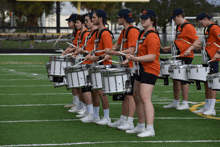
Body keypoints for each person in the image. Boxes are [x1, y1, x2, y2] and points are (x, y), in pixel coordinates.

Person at [124, 9, 160, 137]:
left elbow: (151, 56)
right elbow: (139, 52)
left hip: (150, 69)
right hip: (141, 68)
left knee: (145, 98)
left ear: (152, 20)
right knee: (136, 96)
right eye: (142, 18)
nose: (142, 20)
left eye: (146, 18)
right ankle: (140, 126)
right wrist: (130, 58)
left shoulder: (152, 35)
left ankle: (150, 129)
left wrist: (135, 59)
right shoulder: (142, 34)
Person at [104, 9, 139, 130]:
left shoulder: (133, 31)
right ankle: (123, 119)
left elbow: (131, 50)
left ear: (123, 19)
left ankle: (130, 121)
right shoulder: (124, 31)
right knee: (125, 94)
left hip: (133, 66)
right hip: (125, 66)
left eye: (118, 18)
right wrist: (109, 51)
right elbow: (117, 44)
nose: (117, 19)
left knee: (130, 95)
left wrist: (113, 52)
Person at [162, 8, 201, 110]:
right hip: (177, 55)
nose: (174, 21)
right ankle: (175, 101)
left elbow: (197, 41)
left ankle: (185, 103)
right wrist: (170, 48)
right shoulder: (179, 27)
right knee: (175, 78)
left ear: (180, 16)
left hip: (186, 56)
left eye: (175, 18)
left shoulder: (188, 26)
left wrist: (190, 49)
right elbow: (180, 41)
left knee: (183, 79)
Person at [85, 9, 113, 125]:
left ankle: (107, 117)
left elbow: (109, 52)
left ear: (100, 19)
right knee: (95, 91)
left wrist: (96, 57)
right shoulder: (97, 33)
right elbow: (93, 47)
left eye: (94, 18)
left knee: (102, 92)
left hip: (104, 65)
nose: (92, 19)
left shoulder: (105, 33)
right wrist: (90, 53)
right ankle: (95, 115)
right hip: (97, 64)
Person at [193, 12, 220, 115]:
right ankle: (207, 106)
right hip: (207, 58)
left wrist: (218, 53)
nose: (200, 25)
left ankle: (212, 108)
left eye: (201, 23)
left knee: (212, 83)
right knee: (207, 82)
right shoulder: (207, 29)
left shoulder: (214, 27)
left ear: (205, 18)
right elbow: (212, 43)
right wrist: (203, 47)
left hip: (213, 59)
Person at [62, 14, 80, 109]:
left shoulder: (79, 32)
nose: (68, 23)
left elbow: (78, 46)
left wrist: (73, 51)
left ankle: (79, 103)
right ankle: (75, 101)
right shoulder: (74, 33)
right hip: (75, 57)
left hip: (79, 59)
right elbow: (73, 45)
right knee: (72, 81)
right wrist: (67, 50)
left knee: (76, 81)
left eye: (70, 21)